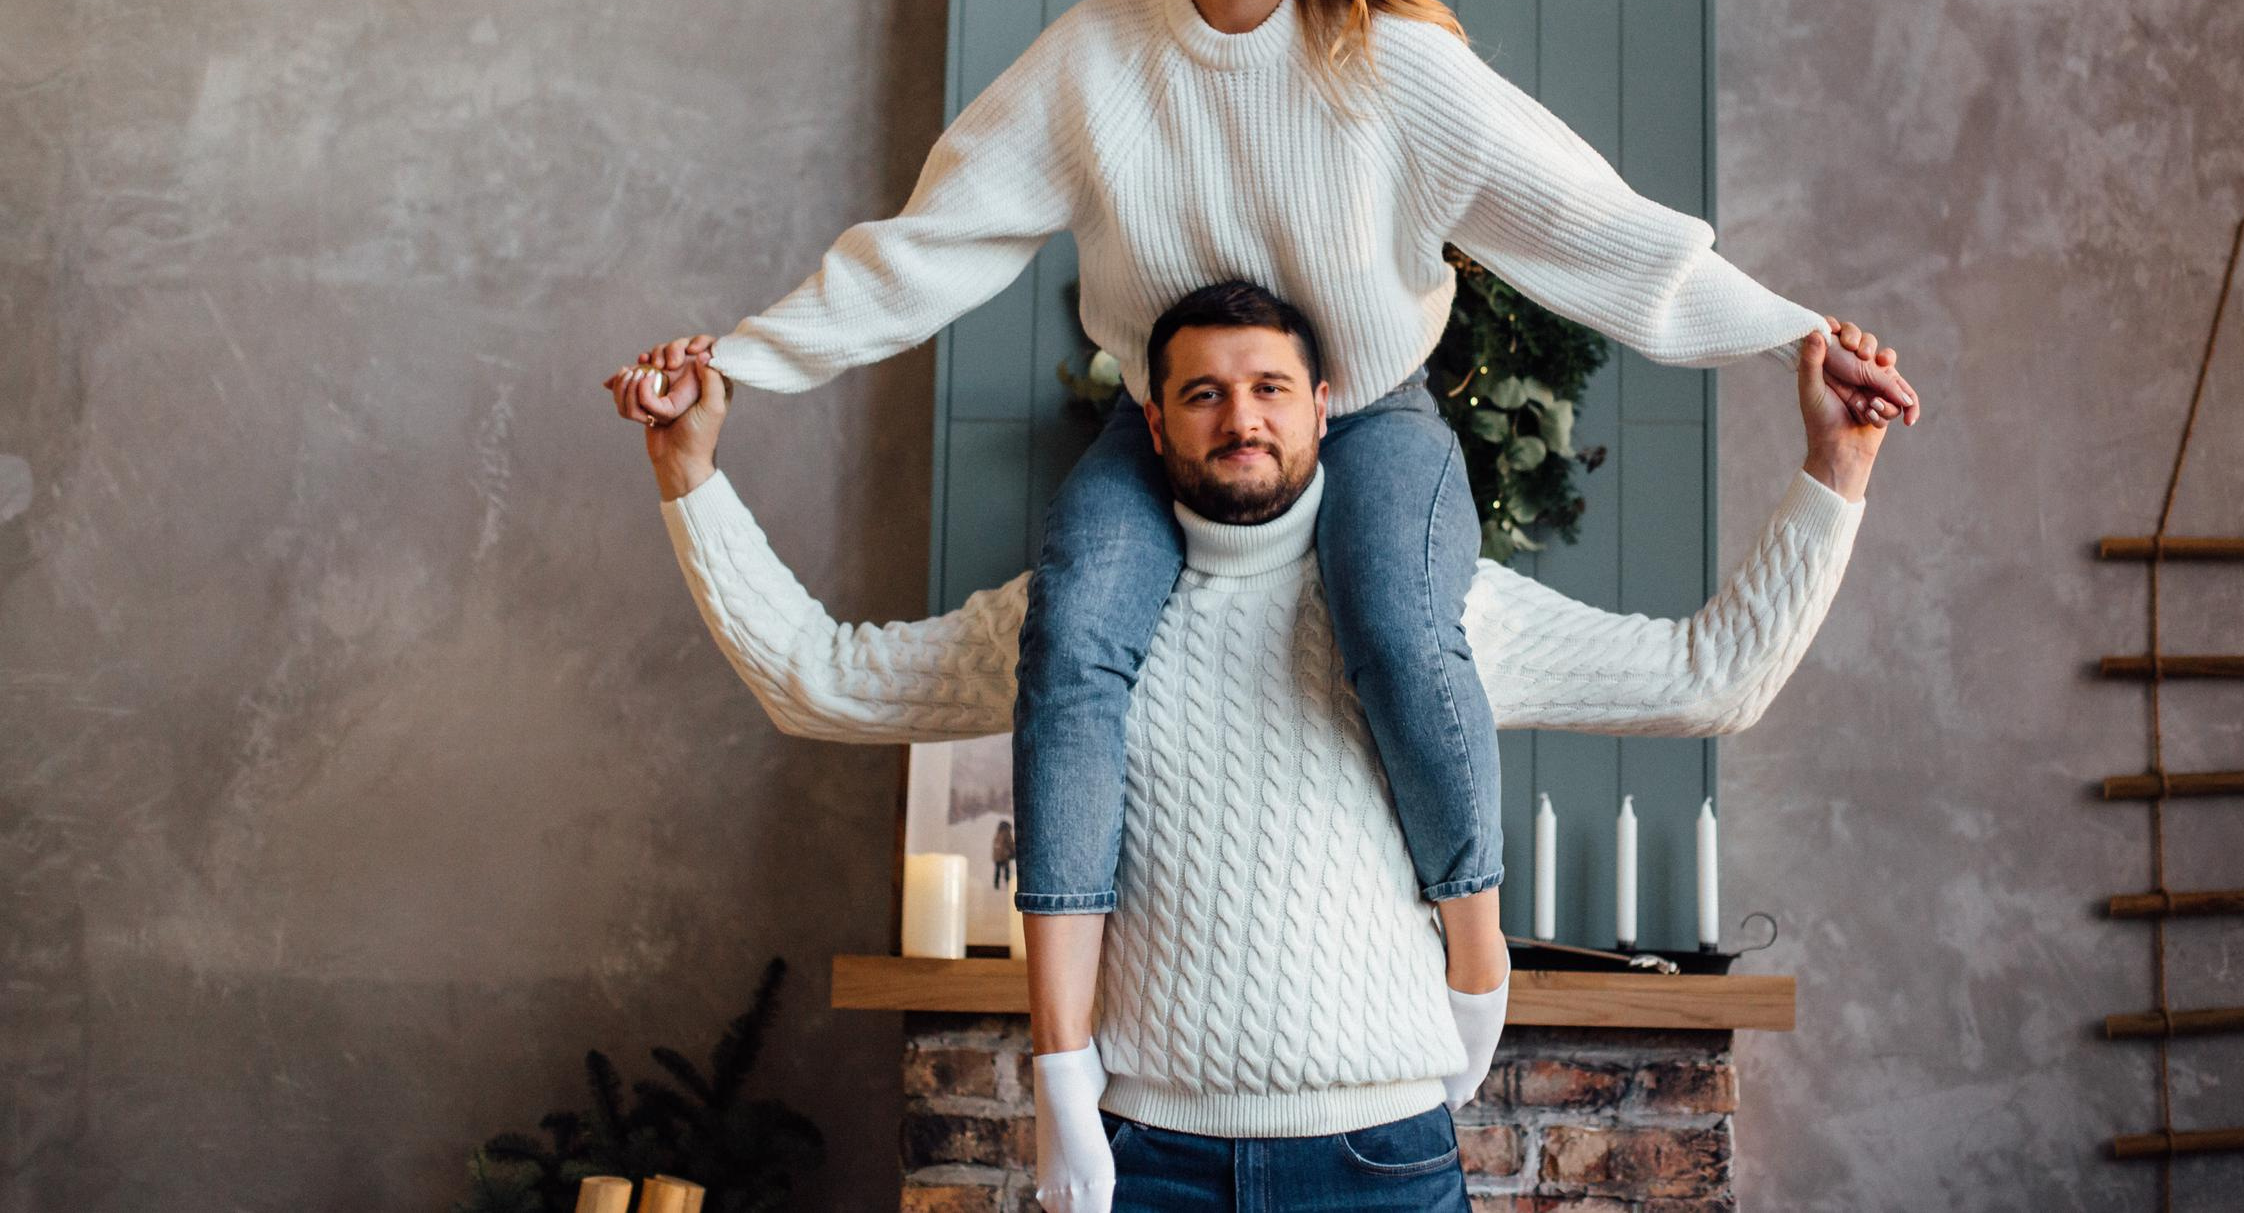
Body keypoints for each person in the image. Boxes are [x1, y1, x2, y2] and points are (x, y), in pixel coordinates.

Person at [606, 0, 1920, 1207]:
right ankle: (1064, 1063)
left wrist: (1794, 344)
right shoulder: (1097, 62)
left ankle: (1473, 956)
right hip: (1152, 428)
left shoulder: (1391, 65)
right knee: (1073, 639)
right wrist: (741, 368)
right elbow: (929, 247)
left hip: (1376, 413)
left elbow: (1587, 223)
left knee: (1397, 621)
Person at [621, 279, 1892, 1213]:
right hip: (1144, 1161)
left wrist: (1834, 466)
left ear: (1325, 409)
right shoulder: (1070, 626)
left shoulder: (1441, 616)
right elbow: (819, 683)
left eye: (1271, 388)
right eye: (1205, 393)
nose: (1242, 416)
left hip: (1382, 1162)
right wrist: (690, 472)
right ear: (1154, 423)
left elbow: (1712, 678)